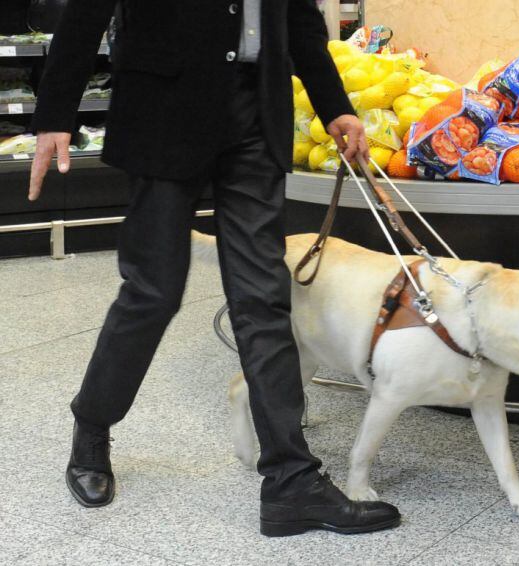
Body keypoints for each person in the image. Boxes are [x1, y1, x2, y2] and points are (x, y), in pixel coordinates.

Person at [28, 0, 400, 537]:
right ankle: (92, 424)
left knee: (264, 299)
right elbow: (87, 10)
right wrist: (55, 114)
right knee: (152, 293)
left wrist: (334, 104)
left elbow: (296, 17)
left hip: (256, 111)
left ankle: (292, 481)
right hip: (164, 109)